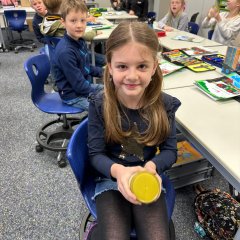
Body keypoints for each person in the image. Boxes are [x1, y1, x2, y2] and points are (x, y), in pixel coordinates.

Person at [87, 21, 181, 240]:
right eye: (122, 66)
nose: (132, 76)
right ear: (109, 66)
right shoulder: (100, 104)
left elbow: (170, 151)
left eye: (141, 66)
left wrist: (151, 167)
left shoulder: (165, 105)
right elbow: (95, 154)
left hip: (147, 175)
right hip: (110, 178)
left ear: (154, 66)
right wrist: (119, 172)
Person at [52, 0, 103, 110]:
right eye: (73, 21)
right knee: (105, 107)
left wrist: (104, 73)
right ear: (63, 22)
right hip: (73, 95)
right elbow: (79, 86)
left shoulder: (80, 40)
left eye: (82, 20)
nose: (79, 25)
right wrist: (101, 96)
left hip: (82, 87)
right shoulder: (66, 52)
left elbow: (86, 68)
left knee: (110, 91)